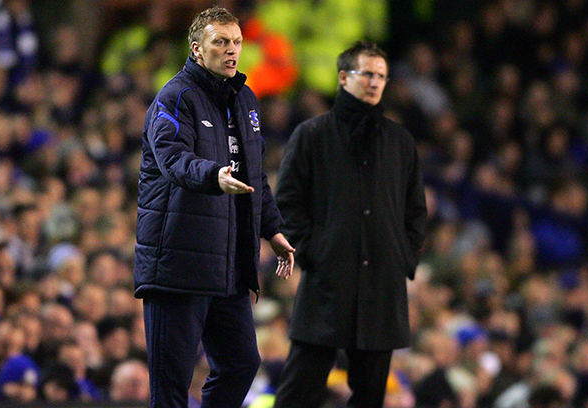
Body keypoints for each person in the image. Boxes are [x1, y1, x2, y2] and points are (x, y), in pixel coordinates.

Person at [134, 6, 295, 408]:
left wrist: (272, 231)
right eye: (220, 42)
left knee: (241, 365)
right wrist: (213, 175)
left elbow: (256, 178)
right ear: (196, 49)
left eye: (236, 42)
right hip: (177, 266)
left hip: (229, 266)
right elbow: (172, 158)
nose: (231, 50)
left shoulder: (246, 100)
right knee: (170, 388)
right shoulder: (174, 97)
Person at [274, 41, 427, 408]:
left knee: (371, 396)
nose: (375, 83)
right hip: (328, 282)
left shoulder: (400, 142)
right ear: (344, 77)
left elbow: (415, 212)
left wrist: (403, 258)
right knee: (299, 390)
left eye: (382, 76)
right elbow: (288, 203)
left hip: (382, 286)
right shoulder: (311, 135)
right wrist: (315, 254)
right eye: (367, 74)